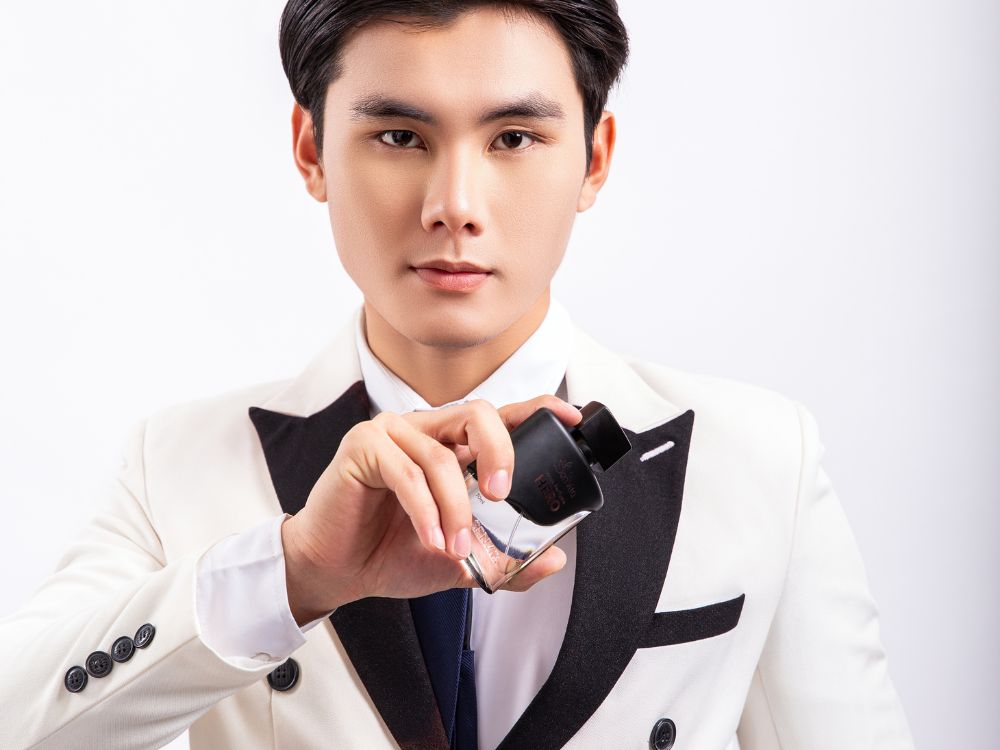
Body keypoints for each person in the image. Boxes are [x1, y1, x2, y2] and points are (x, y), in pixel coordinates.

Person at [0, 1, 916, 749]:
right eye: (400, 135)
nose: (455, 207)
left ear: (594, 158)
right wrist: (292, 574)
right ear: (312, 149)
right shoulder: (180, 462)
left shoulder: (760, 458)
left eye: (513, 138)